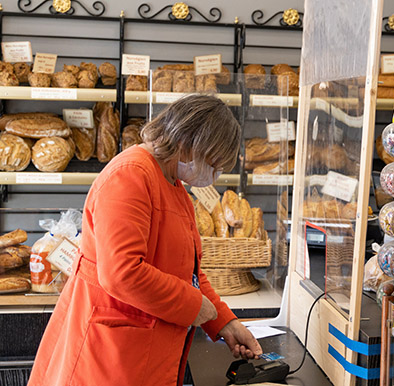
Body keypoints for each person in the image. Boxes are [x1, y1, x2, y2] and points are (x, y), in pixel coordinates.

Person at [29, 95, 263, 386]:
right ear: (189, 145)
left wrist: (224, 322)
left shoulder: (173, 184)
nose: (213, 177)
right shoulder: (129, 177)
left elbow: (187, 273)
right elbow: (121, 273)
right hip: (108, 356)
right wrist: (194, 307)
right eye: (213, 165)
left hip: (140, 354)